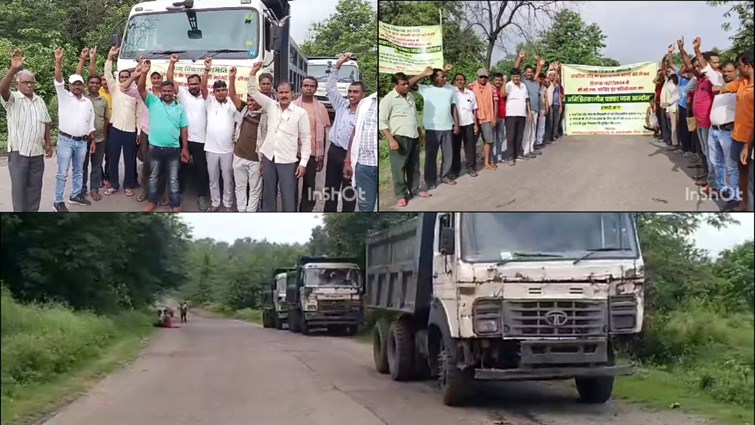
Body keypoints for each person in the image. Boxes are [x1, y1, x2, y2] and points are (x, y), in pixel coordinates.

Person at [248, 61, 311, 212]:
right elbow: (253, 91)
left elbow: (306, 138)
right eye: (280, 93)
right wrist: (253, 73)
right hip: (269, 156)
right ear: (276, 94)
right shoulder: (270, 105)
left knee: (288, 196)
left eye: (286, 92)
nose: (283, 95)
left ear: (292, 94)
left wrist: (303, 163)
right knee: (268, 193)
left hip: (288, 160)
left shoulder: (300, 113)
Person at [135, 59, 190, 212]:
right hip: (155, 148)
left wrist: (185, 149)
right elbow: (140, 89)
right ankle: (152, 202)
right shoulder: (153, 102)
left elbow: (184, 129)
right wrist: (144, 72)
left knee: (173, 180)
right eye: (164, 91)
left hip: (173, 149)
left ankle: (175, 205)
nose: (167, 93)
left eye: (169, 91)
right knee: (154, 177)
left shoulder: (180, 108)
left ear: (173, 92)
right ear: (160, 91)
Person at [1, 49, 53, 212]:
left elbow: (45, 123)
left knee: (35, 192)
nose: (29, 85)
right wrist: (13, 69)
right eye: (25, 82)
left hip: (37, 154)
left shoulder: (40, 101)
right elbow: (2, 90)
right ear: (18, 84)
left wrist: (48, 143)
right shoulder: (13, 99)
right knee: (19, 193)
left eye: (32, 82)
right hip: (19, 154)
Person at [52, 48, 96, 212]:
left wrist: (92, 140)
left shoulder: (87, 102)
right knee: (62, 173)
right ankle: (58, 201)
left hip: (82, 142)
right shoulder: (64, 97)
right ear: (69, 86)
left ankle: (75, 195)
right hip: (65, 141)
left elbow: (90, 122)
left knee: (79, 170)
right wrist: (58, 62)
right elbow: (58, 81)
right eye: (74, 84)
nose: (77, 87)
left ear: (83, 86)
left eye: (79, 84)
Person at [379, 72, 430, 207]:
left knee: (413, 166)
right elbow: (381, 122)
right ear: (395, 85)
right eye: (403, 84)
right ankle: (401, 195)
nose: (406, 86)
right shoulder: (388, 99)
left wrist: (420, 133)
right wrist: (391, 140)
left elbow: (414, 117)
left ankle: (415, 189)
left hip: (413, 135)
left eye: (407, 83)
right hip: (399, 137)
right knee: (399, 167)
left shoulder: (410, 96)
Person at [168, 54, 211, 211]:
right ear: (187, 85)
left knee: (201, 170)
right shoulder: (184, 95)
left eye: (196, 83)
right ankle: (178, 194)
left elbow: (206, 85)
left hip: (201, 141)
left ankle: (201, 197)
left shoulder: (206, 97)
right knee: (180, 169)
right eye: (191, 83)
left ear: (200, 84)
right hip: (184, 139)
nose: (193, 86)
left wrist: (206, 70)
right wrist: (172, 63)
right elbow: (170, 79)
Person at [323, 53, 365, 212]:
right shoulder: (341, 106)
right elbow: (330, 88)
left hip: (352, 156)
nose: (352, 95)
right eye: (350, 91)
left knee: (349, 192)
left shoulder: (364, 113)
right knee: (330, 191)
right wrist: (338, 65)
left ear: (363, 95)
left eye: (356, 92)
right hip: (334, 151)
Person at [714, 51, 753, 211]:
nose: (738, 68)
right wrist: (719, 88)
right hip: (738, 136)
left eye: (739, 65)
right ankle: (743, 204)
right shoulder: (742, 82)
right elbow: (724, 87)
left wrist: (747, 146)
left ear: (747, 66)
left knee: (751, 178)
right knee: (741, 173)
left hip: (750, 139)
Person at [409, 65, 456, 189]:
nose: (445, 78)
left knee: (448, 155)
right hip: (432, 128)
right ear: (435, 78)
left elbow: (453, 108)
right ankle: (430, 180)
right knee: (431, 156)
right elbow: (409, 84)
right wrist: (424, 74)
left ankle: (445, 176)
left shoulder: (450, 90)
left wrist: (455, 123)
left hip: (447, 127)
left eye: (445, 76)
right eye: (443, 76)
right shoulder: (426, 89)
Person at [230, 70, 271, 212]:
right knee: (240, 186)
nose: (250, 103)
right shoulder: (244, 109)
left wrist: (264, 161)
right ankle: (241, 211)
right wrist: (231, 77)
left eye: (253, 100)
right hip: (238, 156)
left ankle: (251, 212)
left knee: (254, 189)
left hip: (256, 159)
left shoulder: (267, 115)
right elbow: (232, 95)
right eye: (249, 100)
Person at [103, 47, 140, 197]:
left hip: (131, 131)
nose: (124, 79)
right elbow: (107, 74)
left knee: (130, 161)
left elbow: (138, 114)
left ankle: (128, 185)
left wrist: (138, 131)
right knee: (113, 159)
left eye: (126, 77)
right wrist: (110, 57)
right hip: (116, 130)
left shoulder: (136, 93)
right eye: (122, 77)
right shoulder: (115, 90)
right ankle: (114, 184)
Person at [293, 75, 329, 212]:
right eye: (306, 86)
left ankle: (305, 211)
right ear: (301, 87)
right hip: (293, 152)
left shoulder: (321, 108)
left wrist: (321, 157)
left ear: (316, 89)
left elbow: (324, 133)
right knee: (291, 186)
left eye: (311, 86)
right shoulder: (292, 106)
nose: (308, 88)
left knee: (309, 186)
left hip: (312, 154)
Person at [344, 91, 378, 212]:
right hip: (363, 164)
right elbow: (355, 132)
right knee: (365, 206)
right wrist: (348, 161)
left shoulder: (386, 101)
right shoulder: (365, 102)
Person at [514, 51, 545, 158]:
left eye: (531, 72)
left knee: (533, 130)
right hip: (528, 110)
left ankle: (531, 148)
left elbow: (538, 71)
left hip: (536, 110)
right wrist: (520, 58)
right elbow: (516, 69)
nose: (530, 74)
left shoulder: (535, 82)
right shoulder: (523, 81)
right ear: (525, 74)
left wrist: (539, 63)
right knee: (527, 131)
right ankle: (526, 150)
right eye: (528, 72)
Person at [449, 72, 478, 178]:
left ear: (465, 81)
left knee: (470, 147)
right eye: (457, 80)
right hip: (456, 124)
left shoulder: (470, 93)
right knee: (455, 148)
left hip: (469, 122)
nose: (460, 81)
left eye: (462, 79)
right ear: (455, 81)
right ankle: (455, 170)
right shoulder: (451, 91)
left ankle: (471, 167)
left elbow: (474, 109)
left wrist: (475, 124)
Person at [469, 68, 498, 170]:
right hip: (474, 119)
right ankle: (471, 164)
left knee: (488, 141)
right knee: (472, 142)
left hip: (488, 118)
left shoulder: (492, 88)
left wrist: (494, 117)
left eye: (485, 77)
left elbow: (495, 103)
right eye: (481, 77)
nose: (483, 79)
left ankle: (487, 162)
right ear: (477, 76)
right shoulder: (471, 87)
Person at [504, 68, 530, 165]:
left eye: (517, 76)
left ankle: (518, 154)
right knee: (511, 136)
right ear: (511, 77)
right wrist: (504, 81)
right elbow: (503, 94)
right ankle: (510, 156)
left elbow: (526, 99)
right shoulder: (508, 85)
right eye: (514, 76)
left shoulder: (523, 86)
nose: (516, 78)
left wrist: (529, 112)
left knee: (519, 135)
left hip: (522, 113)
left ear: (520, 77)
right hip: (511, 114)